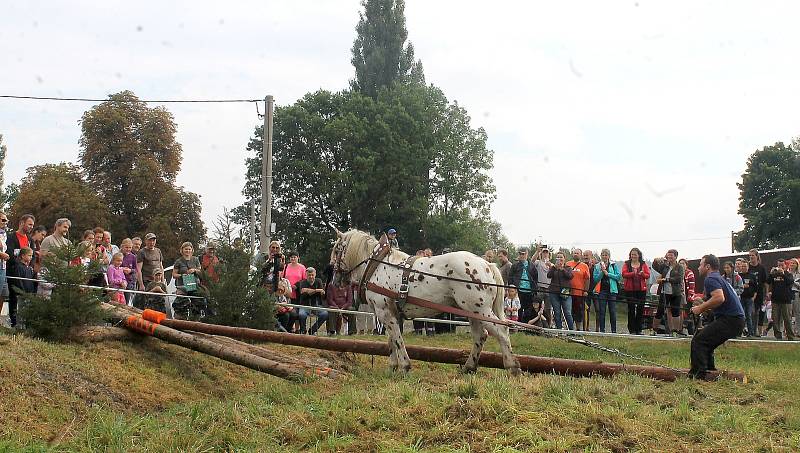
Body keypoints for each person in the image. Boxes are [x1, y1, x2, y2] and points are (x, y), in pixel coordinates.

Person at [689, 254, 745, 380]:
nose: (698, 267)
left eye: (700, 264)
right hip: (735, 319)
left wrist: (700, 308)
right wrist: (704, 305)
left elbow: (719, 298)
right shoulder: (718, 278)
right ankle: (710, 371)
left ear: (707, 266)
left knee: (699, 341)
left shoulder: (711, 278)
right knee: (704, 339)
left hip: (730, 320)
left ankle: (699, 375)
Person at [651, 249, 685, 335]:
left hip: (675, 292)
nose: (669, 257)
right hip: (664, 292)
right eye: (668, 255)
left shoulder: (679, 267)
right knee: (660, 311)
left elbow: (679, 279)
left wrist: (666, 279)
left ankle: (676, 331)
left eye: (671, 255)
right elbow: (655, 267)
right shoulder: (664, 266)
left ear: (676, 256)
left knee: (675, 312)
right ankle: (654, 329)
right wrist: (656, 260)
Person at [172, 242, 205, 319]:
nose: (188, 251)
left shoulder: (195, 259)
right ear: (182, 250)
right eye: (186, 249)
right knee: (180, 305)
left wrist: (194, 270)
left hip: (194, 284)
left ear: (192, 250)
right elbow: (174, 275)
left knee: (196, 305)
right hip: (182, 285)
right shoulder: (178, 261)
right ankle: (179, 321)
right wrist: (182, 275)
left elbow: (201, 272)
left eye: (189, 249)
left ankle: (195, 321)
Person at [622, 248, 650, 335]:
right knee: (631, 309)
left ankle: (639, 329)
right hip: (630, 290)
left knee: (640, 309)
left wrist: (642, 274)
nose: (633, 256)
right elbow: (623, 274)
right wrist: (633, 273)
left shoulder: (643, 264)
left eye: (635, 254)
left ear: (639, 255)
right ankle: (632, 329)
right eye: (632, 254)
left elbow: (648, 275)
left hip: (641, 290)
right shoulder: (626, 264)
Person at [592, 248, 621, 333]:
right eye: (603, 255)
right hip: (602, 291)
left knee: (612, 311)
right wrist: (602, 272)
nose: (604, 256)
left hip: (612, 291)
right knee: (602, 311)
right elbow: (595, 279)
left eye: (606, 255)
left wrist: (608, 274)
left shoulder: (613, 265)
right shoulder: (597, 266)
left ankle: (614, 331)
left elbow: (618, 277)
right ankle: (602, 330)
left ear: (609, 256)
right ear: (601, 256)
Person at [7, 247, 36, 327]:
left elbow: (31, 281)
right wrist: (22, 291)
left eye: (31, 256)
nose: (31, 257)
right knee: (20, 311)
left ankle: (25, 327)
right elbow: (18, 281)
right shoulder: (18, 267)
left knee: (26, 312)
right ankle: (18, 327)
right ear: (23, 256)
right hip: (21, 294)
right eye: (29, 255)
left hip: (29, 293)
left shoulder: (29, 268)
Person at [767, 262, 795, 340]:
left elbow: (790, 282)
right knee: (775, 319)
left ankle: (790, 336)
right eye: (779, 265)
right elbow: (768, 281)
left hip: (786, 300)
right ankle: (778, 336)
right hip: (775, 300)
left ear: (785, 266)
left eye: (782, 265)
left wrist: (782, 274)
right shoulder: (774, 275)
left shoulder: (788, 274)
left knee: (787, 319)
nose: (780, 267)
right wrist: (771, 273)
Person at [296, 267, 328, 335]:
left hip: (316, 305)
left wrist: (308, 290)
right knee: (301, 315)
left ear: (315, 274)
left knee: (325, 314)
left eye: (312, 275)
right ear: (306, 275)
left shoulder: (318, 281)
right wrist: (316, 290)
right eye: (309, 275)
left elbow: (322, 294)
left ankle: (313, 330)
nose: (311, 277)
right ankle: (303, 331)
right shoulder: (302, 282)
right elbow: (303, 293)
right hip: (304, 305)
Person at [509, 248, 537, 324]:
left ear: (527, 254)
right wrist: (511, 289)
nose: (521, 255)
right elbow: (510, 278)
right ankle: (518, 325)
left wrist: (534, 290)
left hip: (529, 291)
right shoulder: (515, 266)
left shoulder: (532, 266)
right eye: (520, 254)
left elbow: (535, 278)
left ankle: (526, 325)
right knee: (518, 309)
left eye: (523, 254)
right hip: (518, 291)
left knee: (529, 310)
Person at [547, 252, 574, 330]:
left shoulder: (568, 268)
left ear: (564, 259)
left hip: (565, 293)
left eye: (561, 257)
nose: (559, 259)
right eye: (558, 257)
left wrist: (562, 269)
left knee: (567, 313)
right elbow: (549, 275)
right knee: (557, 312)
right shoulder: (553, 268)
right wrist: (553, 267)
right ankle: (559, 330)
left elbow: (570, 276)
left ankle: (571, 331)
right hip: (554, 293)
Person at [566, 248, 590, 331]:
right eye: (574, 253)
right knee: (569, 311)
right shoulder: (568, 264)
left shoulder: (584, 266)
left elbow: (587, 279)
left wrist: (586, 290)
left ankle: (578, 329)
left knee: (578, 312)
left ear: (581, 255)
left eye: (577, 253)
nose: (576, 254)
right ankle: (570, 328)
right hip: (568, 293)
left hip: (579, 293)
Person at [747, 249, 769, 336]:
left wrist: (766, 293)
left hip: (759, 292)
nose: (751, 257)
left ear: (757, 256)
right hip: (749, 292)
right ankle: (751, 330)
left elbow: (765, 282)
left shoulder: (761, 268)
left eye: (753, 255)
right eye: (750, 255)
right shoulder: (747, 267)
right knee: (750, 312)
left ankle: (756, 331)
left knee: (757, 312)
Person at [120, 238, 137, 305]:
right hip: (119, 281)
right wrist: (121, 269)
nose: (128, 249)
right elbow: (112, 267)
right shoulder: (118, 255)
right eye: (126, 247)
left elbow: (135, 269)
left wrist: (130, 270)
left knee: (127, 300)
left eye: (130, 247)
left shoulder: (133, 257)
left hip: (129, 281)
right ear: (122, 246)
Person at [582, 249, 596, 330]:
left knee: (593, 309)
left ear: (591, 256)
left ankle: (594, 328)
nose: (585, 257)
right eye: (584, 255)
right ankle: (584, 328)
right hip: (583, 290)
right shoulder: (581, 265)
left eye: (587, 255)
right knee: (584, 309)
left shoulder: (595, 266)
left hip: (593, 291)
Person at [0, 212, 10, 315]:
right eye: (3, 220)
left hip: (3, 266)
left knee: (3, 294)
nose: (5, 222)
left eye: (6, 220)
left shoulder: (3, 233)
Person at [787, 258, 800, 338]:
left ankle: (798, 331)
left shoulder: (799, 274)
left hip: (796, 293)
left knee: (797, 313)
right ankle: (788, 331)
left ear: (797, 265)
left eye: (794, 263)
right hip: (788, 293)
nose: (792, 265)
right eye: (791, 263)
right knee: (788, 313)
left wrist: (793, 282)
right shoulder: (786, 273)